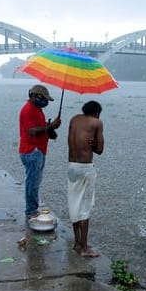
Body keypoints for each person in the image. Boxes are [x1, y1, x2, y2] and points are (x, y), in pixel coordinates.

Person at [67, 101, 104, 258]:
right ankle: (84, 248)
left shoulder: (74, 119)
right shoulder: (96, 122)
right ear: (96, 113)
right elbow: (100, 150)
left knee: (74, 205)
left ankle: (77, 244)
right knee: (85, 208)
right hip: (85, 168)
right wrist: (94, 143)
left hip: (72, 167)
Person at [19, 84, 61, 219]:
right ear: (33, 96)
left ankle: (32, 208)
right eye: (42, 98)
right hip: (32, 150)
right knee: (32, 182)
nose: (45, 101)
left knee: (35, 181)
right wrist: (49, 127)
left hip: (38, 150)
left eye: (46, 99)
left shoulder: (37, 109)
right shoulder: (29, 110)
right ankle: (31, 210)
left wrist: (50, 128)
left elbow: (40, 128)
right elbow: (32, 131)